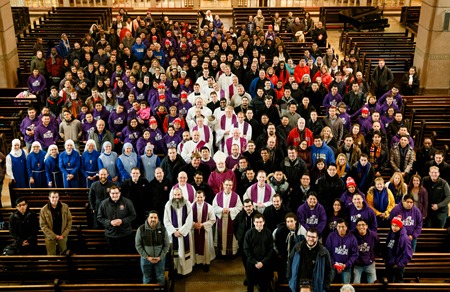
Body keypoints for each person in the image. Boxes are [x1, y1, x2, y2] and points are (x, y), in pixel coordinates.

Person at [287, 227, 332, 292]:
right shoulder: (297, 247)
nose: (310, 239)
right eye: (309, 236)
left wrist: (326, 286)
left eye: (313, 237)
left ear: (317, 238)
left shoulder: (323, 252)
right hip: (298, 282)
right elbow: (290, 262)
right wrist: (290, 279)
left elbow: (329, 270)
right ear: (306, 236)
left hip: (315, 284)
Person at [163, 187, 194, 276]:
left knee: (185, 253)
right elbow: (166, 220)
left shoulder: (187, 203)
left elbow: (189, 219)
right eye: (175, 194)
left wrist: (182, 231)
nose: (177, 196)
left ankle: (185, 270)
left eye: (178, 194)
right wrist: (174, 231)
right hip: (174, 234)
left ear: (181, 194)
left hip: (184, 233)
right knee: (175, 253)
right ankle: (175, 270)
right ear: (172, 195)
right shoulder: (168, 204)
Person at [97, 185, 136, 253]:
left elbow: (133, 215)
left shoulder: (127, 202)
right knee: (113, 254)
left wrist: (122, 221)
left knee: (126, 253)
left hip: (125, 233)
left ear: (120, 193)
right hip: (110, 234)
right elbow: (99, 217)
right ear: (109, 194)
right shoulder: (104, 203)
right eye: (113, 193)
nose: (115, 195)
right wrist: (109, 222)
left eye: (117, 193)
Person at [135, 210, 170, 286]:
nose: (153, 219)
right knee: (147, 278)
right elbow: (138, 245)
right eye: (151, 217)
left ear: (158, 219)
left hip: (160, 259)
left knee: (160, 277)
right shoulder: (141, 229)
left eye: (155, 217)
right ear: (148, 219)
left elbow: (167, 245)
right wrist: (147, 257)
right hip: (145, 259)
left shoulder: (163, 229)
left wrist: (160, 257)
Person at [243, 213, 274, 292]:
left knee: (264, 284)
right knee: (250, 285)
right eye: (257, 222)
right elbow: (246, 249)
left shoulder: (268, 233)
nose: (259, 224)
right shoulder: (249, 233)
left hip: (265, 264)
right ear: (253, 223)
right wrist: (255, 262)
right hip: (251, 263)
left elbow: (270, 249)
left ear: (264, 222)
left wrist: (263, 262)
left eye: (260, 222)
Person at [273, 213, 306, 284]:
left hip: (296, 257)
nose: (289, 223)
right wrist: (278, 253)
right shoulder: (279, 230)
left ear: (295, 221)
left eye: (291, 221)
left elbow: (305, 244)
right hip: (282, 257)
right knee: (283, 276)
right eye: (287, 222)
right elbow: (274, 243)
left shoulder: (302, 230)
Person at [213, 179, 243, 257]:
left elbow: (240, 207)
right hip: (221, 218)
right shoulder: (218, 195)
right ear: (223, 185)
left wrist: (229, 210)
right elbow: (214, 207)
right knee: (221, 237)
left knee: (231, 238)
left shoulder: (236, 196)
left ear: (232, 186)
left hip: (231, 219)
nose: (228, 187)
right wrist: (222, 210)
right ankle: (221, 253)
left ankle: (231, 254)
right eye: (226, 185)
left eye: (230, 185)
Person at [325, 219, 359, 284]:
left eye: (343, 227)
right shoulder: (331, 236)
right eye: (339, 227)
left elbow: (355, 254)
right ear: (336, 227)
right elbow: (327, 252)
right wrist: (334, 264)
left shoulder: (352, 238)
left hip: (346, 266)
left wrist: (346, 265)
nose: (341, 229)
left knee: (346, 285)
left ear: (346, 227)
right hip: (333, 265)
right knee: (327, 283)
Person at [191, 190, 216, 271]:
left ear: (204, 197)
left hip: (205, 231)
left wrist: (202, 225)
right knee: (194, 246)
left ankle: (205, 263)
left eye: (201, 197)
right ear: (195, 197)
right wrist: (194, 224)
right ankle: (195, 262)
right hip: (194, 230)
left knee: (205, 247)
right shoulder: (190, 207)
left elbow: (212, 220)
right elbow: (187, 219)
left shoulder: (209, 207)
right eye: (198, 197)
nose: (199, 199)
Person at [385, 215, 413, 283]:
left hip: (397, 265)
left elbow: (408, 254)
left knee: (398, 283)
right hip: (390, 263)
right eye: (393, 225)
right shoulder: (391, 233)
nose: (394, 228)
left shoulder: (404, 238)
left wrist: (399, 265)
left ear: (400, 226)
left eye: (396, 226)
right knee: (389, 282)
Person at [352, 218, 378, 284]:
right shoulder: (352, 235)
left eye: (363, 225)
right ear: (356, 227)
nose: (361, 227)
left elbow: (377, 248)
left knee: (374, 284)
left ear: (367, 226)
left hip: (370, 264)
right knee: (356, 283)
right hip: (357, 265)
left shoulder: (373, 235)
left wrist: (372, 258)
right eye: (359, 225)